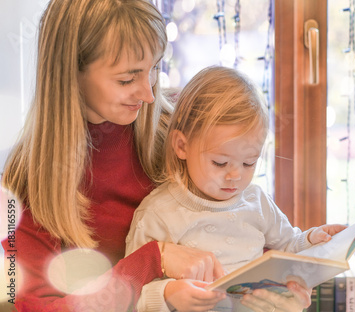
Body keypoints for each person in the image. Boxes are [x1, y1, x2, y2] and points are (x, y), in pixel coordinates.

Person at [1, 1, 314, 311]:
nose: (150, 94)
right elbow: (37, 306)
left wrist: (284, 285)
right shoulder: (25, 181)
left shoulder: (179, 129)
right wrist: (154, 259)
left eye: (154, 69)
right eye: (127, 79)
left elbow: (242, 224)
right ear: (71, 71)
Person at [125, 66, 347, 312]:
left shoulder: (256, 200)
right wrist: (166, 294)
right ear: (181, 146)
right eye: (220, 163)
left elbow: (287, 246)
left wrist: (311, 240)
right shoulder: (158, 214)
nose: (235, 176)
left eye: (249, 163)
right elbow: (128, 296)